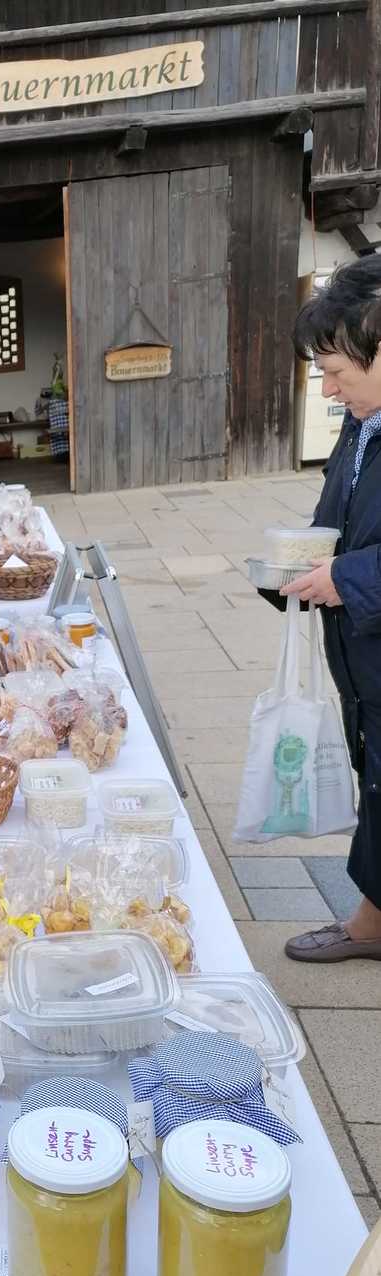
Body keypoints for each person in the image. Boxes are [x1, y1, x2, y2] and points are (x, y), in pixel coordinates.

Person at [273, 256, 381, 963]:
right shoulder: (363, 423)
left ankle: (369, 924)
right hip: (362, 647)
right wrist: (297, 566)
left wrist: (349, 576)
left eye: (336, 370)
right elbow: (336, 516)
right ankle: (372, 917)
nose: (328, 387)